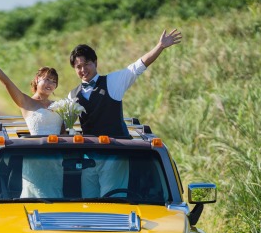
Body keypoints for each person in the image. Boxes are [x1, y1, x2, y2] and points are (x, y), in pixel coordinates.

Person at [67, 29, 182, 198]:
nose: (83, 69)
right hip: (88, 158)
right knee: (88, 202)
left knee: (112, 202)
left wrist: (160, 47)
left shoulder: (113, 82)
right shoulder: (72, 95)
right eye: (78, 66)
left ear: (95, 63)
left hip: (115, 156)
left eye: (87, 64)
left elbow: (137, 67)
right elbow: (64, 123)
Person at [0, 49, 64, 198]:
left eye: (53, 81)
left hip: (56, 162)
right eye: (46, 79)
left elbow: (64, 133)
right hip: (35, 159)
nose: (50, 83)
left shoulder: (60, 105)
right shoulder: (26, 102)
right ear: (36, 80)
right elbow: (7, 82)